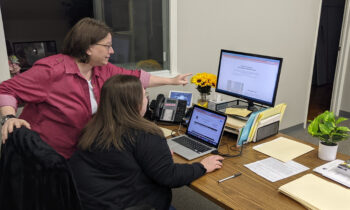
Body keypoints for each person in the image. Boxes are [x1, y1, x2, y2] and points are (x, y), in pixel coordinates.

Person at [0, 17, 191, 159]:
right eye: (107, 46)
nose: (112, 51)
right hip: (47, 155)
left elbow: (136, 77)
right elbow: (6, 89)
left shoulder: (102, 69)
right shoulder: (51, 70)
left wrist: (172, 81)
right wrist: (9, 117)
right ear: (88, 47)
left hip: (80, 150)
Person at [69, 75, 224, 210]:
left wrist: (156, 157)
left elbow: (122, 161)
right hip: (131, 204)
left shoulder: (93, 127)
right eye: (145, 96)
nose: (147, 100)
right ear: (134, 103)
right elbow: (169, 177)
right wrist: (203, 166)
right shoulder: (146, 134)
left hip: (93, 202)